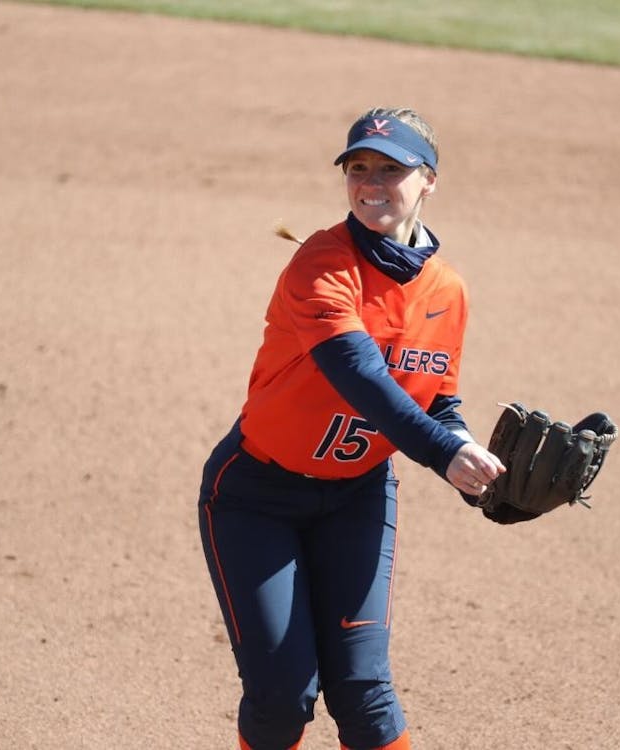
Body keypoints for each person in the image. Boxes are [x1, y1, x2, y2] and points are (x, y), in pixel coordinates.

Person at [197, 106, 505, 750]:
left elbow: (437, 401)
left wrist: (470, 458)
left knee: (365, 695)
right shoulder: (322, 264)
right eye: (358, 168)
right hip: (256, 497)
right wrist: (443, 452)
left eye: (391, 169)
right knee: (282, 698)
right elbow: (359, 375)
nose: (370, 183)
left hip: (358, 496)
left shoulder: (448, 292)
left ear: (429, 179)